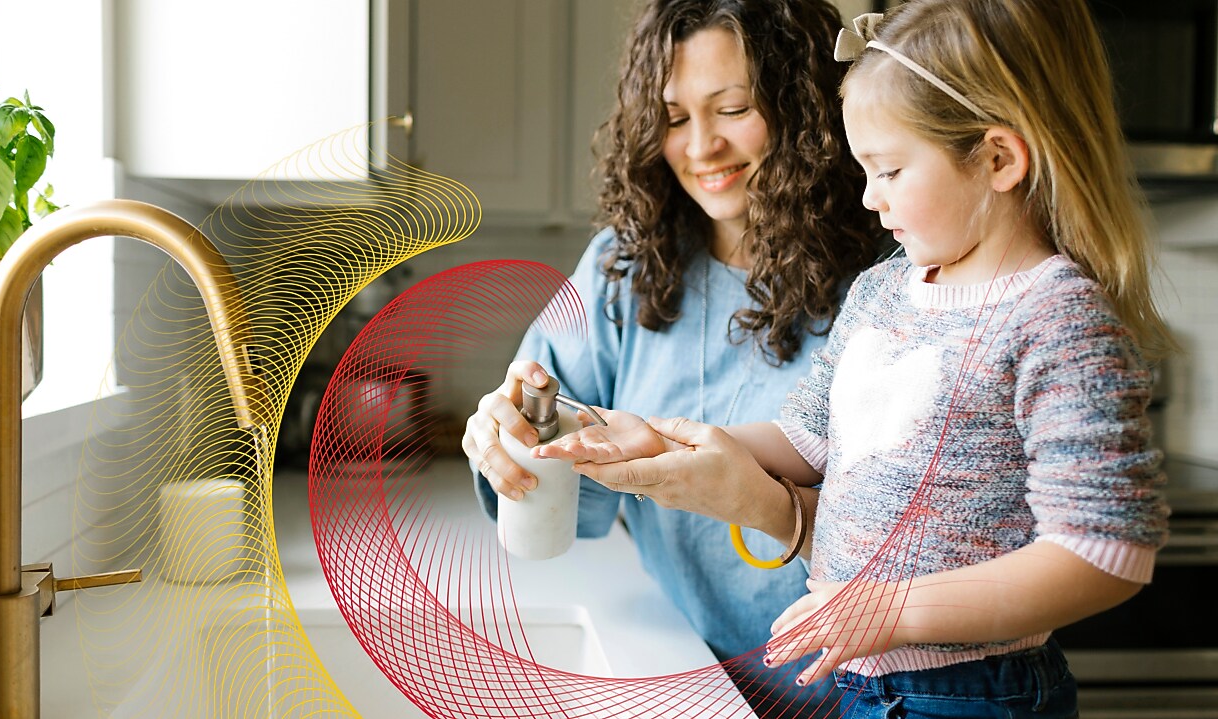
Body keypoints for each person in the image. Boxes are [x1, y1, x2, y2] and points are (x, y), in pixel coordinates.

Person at [535, 1, 1175, 717]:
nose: (870, 198)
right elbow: (808, 440)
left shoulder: (1056, 317)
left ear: (999, 159)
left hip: (973, 694)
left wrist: (891, 610)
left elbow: (1106, 551)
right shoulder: (885, 289)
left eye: (890, 169)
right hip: (862, 686)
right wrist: (662, 436)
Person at [461, 0, 882, 716]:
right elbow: (565, 492)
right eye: (675, 117)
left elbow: (923, 537)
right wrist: (507, 442)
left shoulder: (889, 283)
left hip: (856, 697)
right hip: (690, 678)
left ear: (805, 107)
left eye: (733, 109)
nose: (702, 146)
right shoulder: (623, 268)